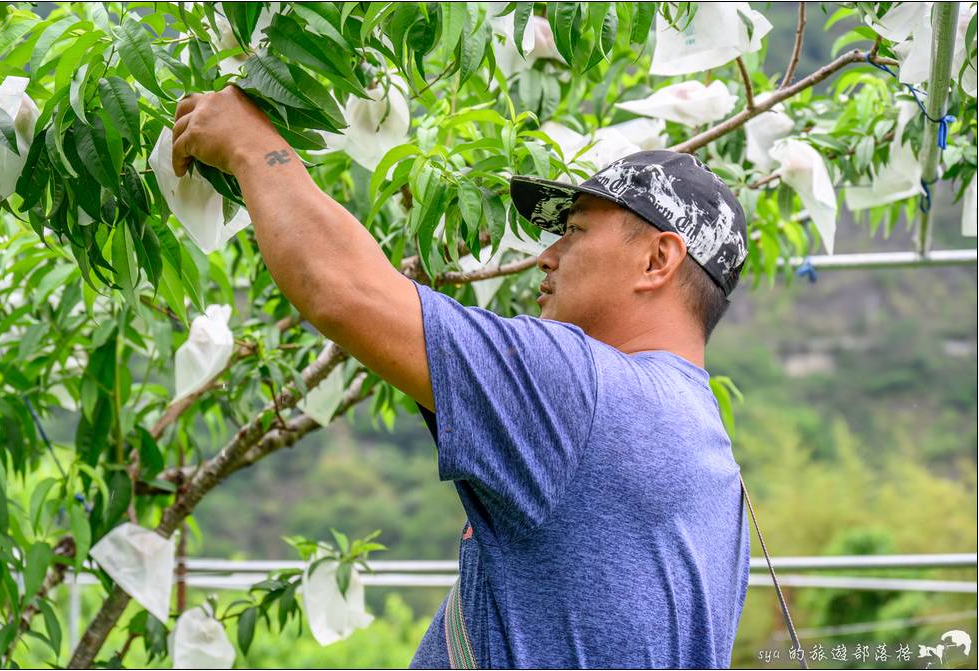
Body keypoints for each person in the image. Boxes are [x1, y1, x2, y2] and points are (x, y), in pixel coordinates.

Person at [172, 85, 750, 669]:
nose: (546, 256)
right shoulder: (711, 463)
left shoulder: (589, 391)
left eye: (574, 230)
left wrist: (250, 144)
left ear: (658, 260)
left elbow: (343, 291)